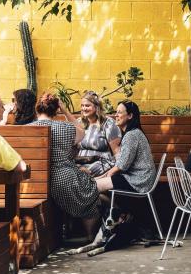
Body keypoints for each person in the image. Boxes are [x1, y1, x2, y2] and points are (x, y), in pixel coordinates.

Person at [29, 93, 100, 240]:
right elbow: (82, 132)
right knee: (91, 191)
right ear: (56, 110)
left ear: (37, 109)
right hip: (62, 178)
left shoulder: (26, 129)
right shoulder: (66, 128)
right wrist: (65, 110)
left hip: (34, 182)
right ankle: (90, 235)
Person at [95, 101, 157, 196]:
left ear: (130, 116)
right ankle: (112, 205)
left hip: (138, 181)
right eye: (116, 112)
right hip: (139, 178)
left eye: (119, 112)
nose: (116, 115)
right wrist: (102, 176)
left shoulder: (131, 135)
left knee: (95, 186)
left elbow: (123, 165)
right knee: (96, 185)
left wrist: (107, 174)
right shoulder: (134, 132)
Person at [75, 91, 121, 177]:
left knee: (82, 174)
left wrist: (117, 169)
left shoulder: (108, 123)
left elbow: (116, 151)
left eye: (87, 106)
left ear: (97, 107)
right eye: (82, 105)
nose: (84, 108)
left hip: (102, 162)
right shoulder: (79, 122)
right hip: (81, 161)